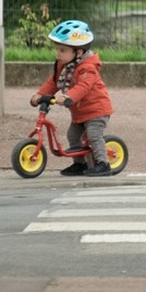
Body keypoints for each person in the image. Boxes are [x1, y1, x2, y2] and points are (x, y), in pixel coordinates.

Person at [30, 20, 115, 176]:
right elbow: (54, 82)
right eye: (57, 49)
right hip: (80, 112)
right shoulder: (64, 66)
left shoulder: (88, 68)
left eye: (62, 50)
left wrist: (68, 96)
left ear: (79, 52)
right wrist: (40, 95)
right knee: (73, 135)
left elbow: (83, 87)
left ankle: (103, 163)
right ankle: (80, 164)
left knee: (94, 135)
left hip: (96, 111)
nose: (58, 54)